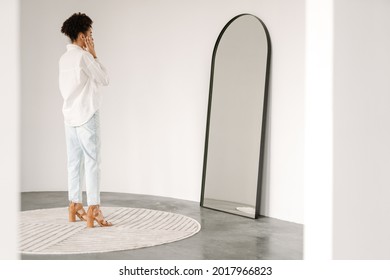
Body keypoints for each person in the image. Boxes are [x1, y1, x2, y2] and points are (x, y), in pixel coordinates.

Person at [59, 12, 112, 228]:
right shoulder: (84, 56)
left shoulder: (63, 59)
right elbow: (104, 79)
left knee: (74, 162)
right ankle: (94, 209)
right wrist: (94, 54)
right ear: (82, 36)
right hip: (87, 115)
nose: (91, 38)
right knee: (92, 162)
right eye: (90, 34)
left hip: (69, 116)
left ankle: (74, 205)